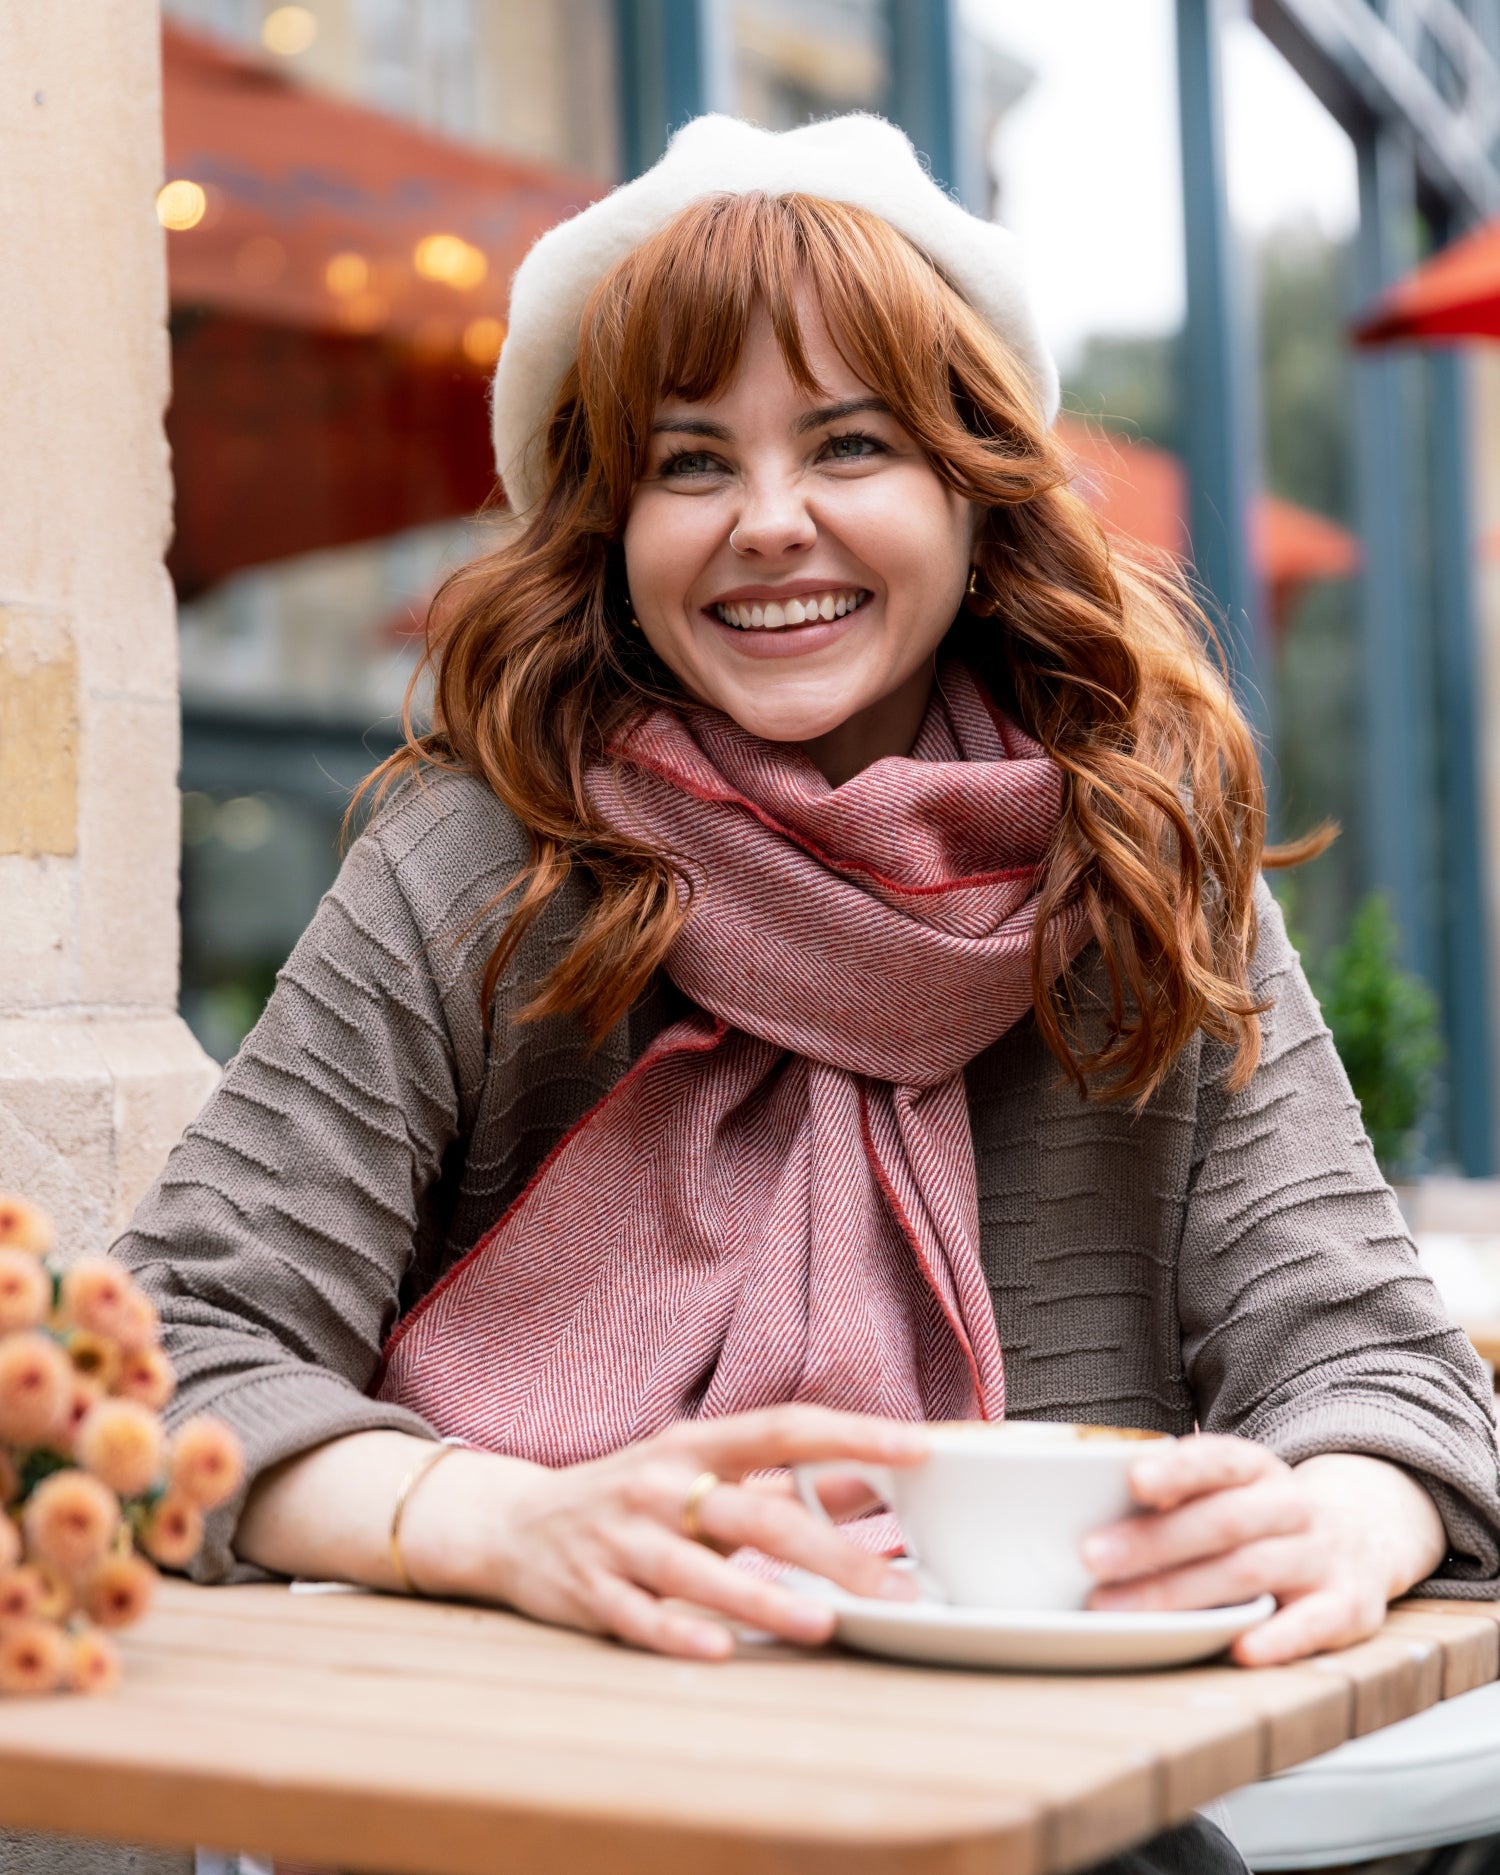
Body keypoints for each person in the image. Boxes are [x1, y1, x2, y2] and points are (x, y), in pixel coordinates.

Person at [117, 116, 1500, 1688]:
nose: (767, 518)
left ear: (979, 500)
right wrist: (499, 1522)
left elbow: (1385, 1373)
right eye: (690, 461)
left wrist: (1348, 1514)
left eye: (850, 444)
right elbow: (166, 1350)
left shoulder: (1139, 878)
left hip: (1039, 1813)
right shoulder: (469, 870)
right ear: (614, 532)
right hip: (516, 1784)